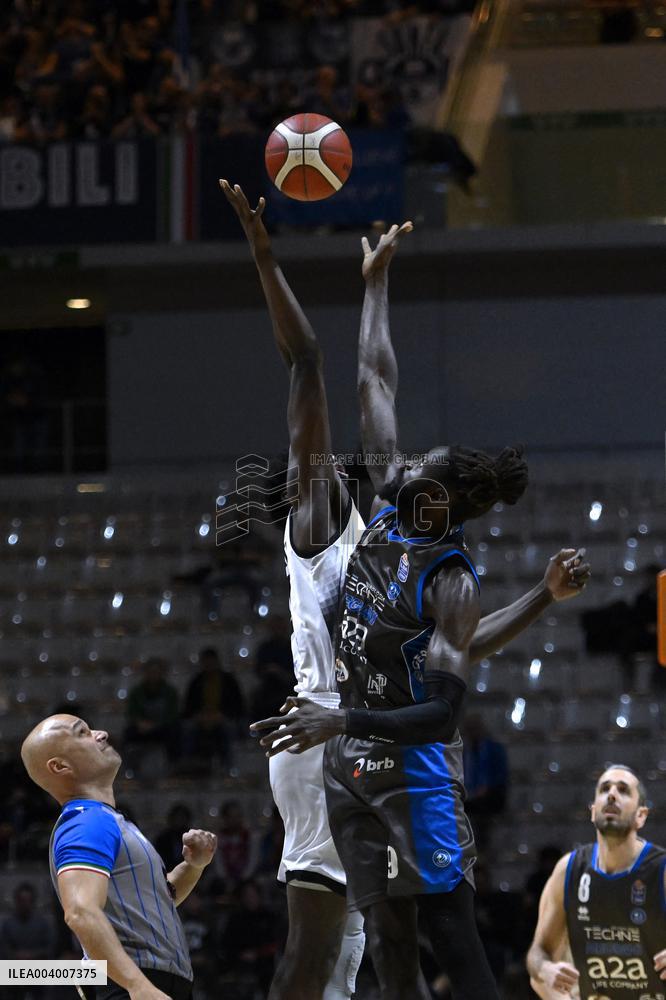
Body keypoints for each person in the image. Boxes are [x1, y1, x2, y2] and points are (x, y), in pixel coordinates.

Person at [253, 222, 591, 1000]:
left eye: (422, 469)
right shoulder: (391, 507)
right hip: (350, 760)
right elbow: (375, 379)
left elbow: (447, 698)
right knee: (389, 949)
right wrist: (376, 283)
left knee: (452, 938)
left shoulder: (451, 579)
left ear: (441, 499)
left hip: (409, 758)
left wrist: (542, 595)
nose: (405, 465)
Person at [220, 178, 366, 1000]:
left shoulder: (363, 530)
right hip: (324, 738)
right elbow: (307, 362)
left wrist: (378, 287)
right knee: (313, 954)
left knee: (349, 949)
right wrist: (265, 256)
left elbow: (377, 382)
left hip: (357, 735)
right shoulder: (318, 524)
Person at [20, 715, 217, 1000]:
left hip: (155, 981)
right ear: (60, 766)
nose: (101, 733)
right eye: (83, 732)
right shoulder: (85, 822)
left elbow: (157, 902)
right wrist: (137, 985)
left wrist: (193, 866)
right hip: (131, 984)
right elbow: (80, 912)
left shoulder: (106, 821)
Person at [527, 765, 666, 1000]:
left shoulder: (661, 871)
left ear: (641, 815)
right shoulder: (568, 870)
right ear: (593, 812)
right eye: (604, 789)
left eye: (623, 790)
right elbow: (538, 952)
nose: (612, 794)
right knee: (540, 980)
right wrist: (545, 969)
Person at [462, 713, 509, 850]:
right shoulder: (464, 751)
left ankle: (482, 844)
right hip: (470, 795)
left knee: (482, 809)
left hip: (490, 795)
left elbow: (501, 774)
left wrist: (486, 788)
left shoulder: (494, 749)